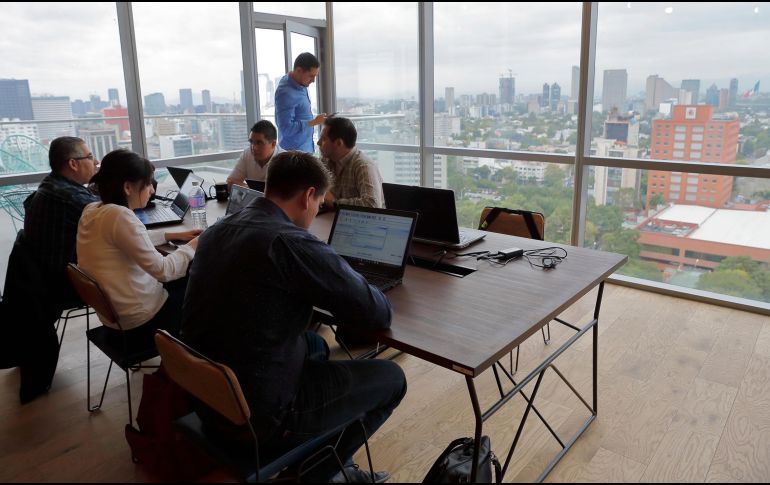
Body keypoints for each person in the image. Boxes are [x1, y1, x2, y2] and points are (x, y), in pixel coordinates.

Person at [182, 151, 404, 483]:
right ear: (308, 196)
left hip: (208, 396)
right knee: (391, 378)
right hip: (260, 418)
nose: (315, 212)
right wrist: (346, 272)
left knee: (315, 342)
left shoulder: (218, 230)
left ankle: (320, 455)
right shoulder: (291, 242)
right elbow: (375, 312)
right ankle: (321, 473)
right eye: (317, 204)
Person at [0, 136, 100, 403]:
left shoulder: (50, 186)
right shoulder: (76, 199)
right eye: (90, 157)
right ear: (73, 163)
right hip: (64, 283)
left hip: (37, 283)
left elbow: (87, 201)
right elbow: (110, 216)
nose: (95, 161)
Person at [76, 149, 200, 345]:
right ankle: (191, 364)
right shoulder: (119, 217)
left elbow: (129, 240)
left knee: (189, 280)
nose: (152, 190)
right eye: (148, 183)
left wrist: (171, 235)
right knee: (206, 288)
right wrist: (194, 245)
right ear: (127, 187)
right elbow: (164, 271)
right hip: (143, 324)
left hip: (117, 319)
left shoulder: (93, 209)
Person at [317, 116, 384, 209]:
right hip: (328, 219)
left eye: (323, 139)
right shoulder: (324, 162)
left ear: (339, 143)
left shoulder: (363, 166)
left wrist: (335, 203)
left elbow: (372, 205)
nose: (318, 142)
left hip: (359, 222)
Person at [274, 52, 326, 153]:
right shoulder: (286, 93)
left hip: (305, 148)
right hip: (294, 154)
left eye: (315, 76)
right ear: (298, 71)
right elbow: (286, 128)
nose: (313, 81)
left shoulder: (299, 82)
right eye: (311, 76)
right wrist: (314, 122)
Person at [225, 120, 281, 189]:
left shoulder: (286, 161)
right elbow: (230, 182)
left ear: (273, 144)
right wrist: (252, 191)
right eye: (251, 142)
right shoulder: (247, 154)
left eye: (259, 143)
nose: (253, 147)